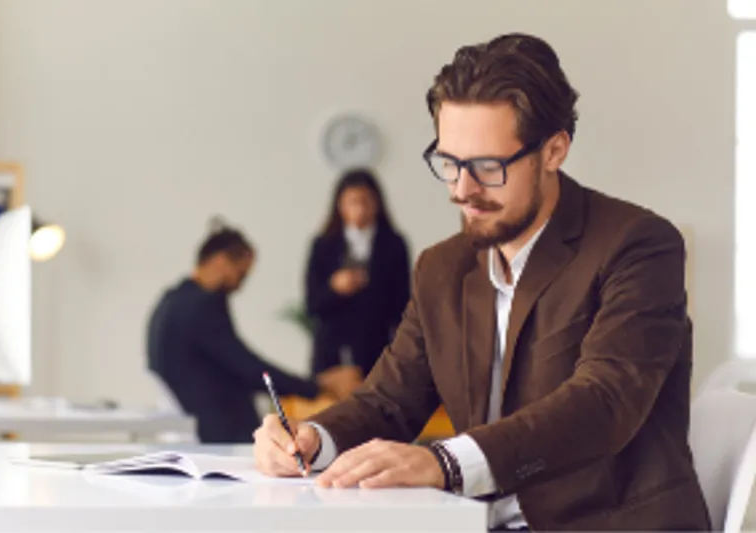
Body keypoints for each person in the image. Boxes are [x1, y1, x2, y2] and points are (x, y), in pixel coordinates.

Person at [253, 33, 710, 531]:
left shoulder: (638, 244)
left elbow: (604, 402)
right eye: (449, 164)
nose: (462, 190)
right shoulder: (441, 268)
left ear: (554, 150)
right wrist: (315, 439)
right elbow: (388, 401)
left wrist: (445, 464)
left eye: (488, 167)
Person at [147, 221, 352, 444]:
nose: (240, 285)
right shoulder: (200, 305)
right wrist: (316, 386)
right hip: (220, 430)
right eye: (241, 274)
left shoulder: (172, 299)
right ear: (220, 261)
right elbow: (247, 367)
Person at [305, 169, 411, 392]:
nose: (360, 209)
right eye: (352, 202)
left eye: (366, 201)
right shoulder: (324, 245)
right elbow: (312, 304)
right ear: (339, 205)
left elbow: (402, 306)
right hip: (331, 354)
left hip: (376, 349)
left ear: (377, 203)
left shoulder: (393, 244)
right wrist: (335, 288)